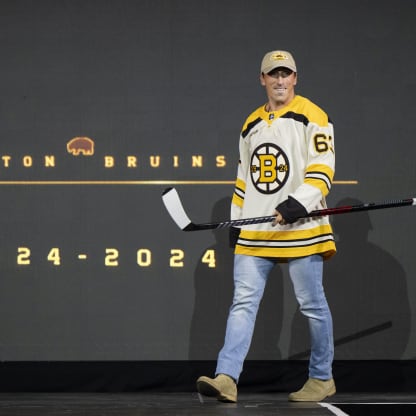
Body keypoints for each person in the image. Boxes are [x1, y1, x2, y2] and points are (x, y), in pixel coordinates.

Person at [196, 50, 336, 402]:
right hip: (258, 230)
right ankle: (226, 377)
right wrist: (237, 219)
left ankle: (321, 378)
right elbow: (244, 180)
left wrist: (296, 204)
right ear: (262, 79)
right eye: (273, 74)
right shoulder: (250, 124)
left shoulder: (312, 115)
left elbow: (323, 170)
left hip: (302, 225)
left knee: (311, 304)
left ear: (295, 78)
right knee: (242, 303)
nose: (279, 80)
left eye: (285, 73)